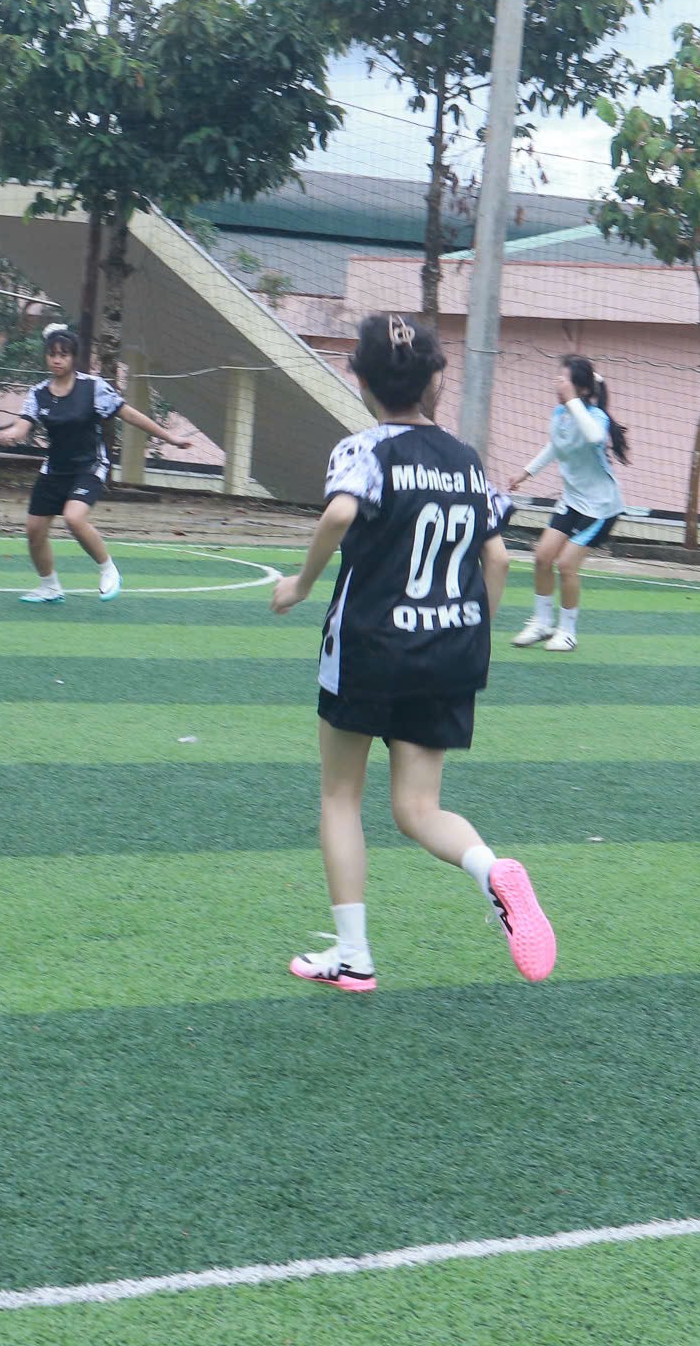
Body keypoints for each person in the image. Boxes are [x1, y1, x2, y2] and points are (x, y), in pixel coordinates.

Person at [269, 311, 555, 992]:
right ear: (435, 379)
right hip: (446, 652)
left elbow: (341, 513)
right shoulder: (466, 461)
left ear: (362, 381)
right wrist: (469, 630)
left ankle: (354, 955)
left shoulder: (362, 450)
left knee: (340, 796)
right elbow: (498, 560)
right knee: (419, 809)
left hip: (369, 647)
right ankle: (491, 869)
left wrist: (301, 583)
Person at [0, 322, 189, 603]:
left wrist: (170, 437)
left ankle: (108, 569)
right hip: (55, 469)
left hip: (89, 466)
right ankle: (50, 587)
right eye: (52, 354)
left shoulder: (92, 387)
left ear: (74, 358)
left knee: (74, 518)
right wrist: (11, 434)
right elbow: (22, 425)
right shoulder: (38, 393)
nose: (57, 360)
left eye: (63, 354)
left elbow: (129, 414)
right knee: (34, 531)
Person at [507, 356, 630, 654]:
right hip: (573, 500)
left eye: (564, 380)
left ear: (582, 389)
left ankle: (567, 632)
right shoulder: (560, 413)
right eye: (558, 378)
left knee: (566, 565)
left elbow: (594, 436)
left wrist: (574, 400)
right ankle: (542, 623)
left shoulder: (595, 417)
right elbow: (555, 445)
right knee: (542, 557)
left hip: (600, 508)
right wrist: (526, 473)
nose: (557, 384)